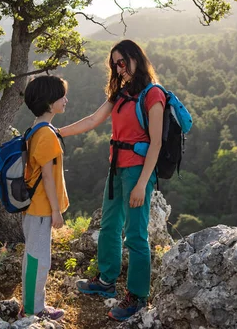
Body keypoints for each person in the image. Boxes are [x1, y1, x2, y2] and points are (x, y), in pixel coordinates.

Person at [60, 39, 165, 321]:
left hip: (137, 171)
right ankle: (106, 282)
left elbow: (155, 144)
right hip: (116, 169)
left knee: (135, 235)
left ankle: (137, 296)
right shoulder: (120, 94)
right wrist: (57, 132)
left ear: (136, 59)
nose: (119, 69)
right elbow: (93, 120)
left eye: (123, 62)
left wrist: (143, 184)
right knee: (109, 226)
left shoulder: (153, 94)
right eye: (114, 64)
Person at [20, 74, 69, 321]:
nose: (66, 100)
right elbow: (48, 178)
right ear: (50, 103)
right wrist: (56, 210)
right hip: (41, 208)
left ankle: (32, 303)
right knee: (38, 261)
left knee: (35, 257)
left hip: (34, 207)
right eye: (62, 97)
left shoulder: (35, 128)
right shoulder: (47, 135)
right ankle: (33, 309)